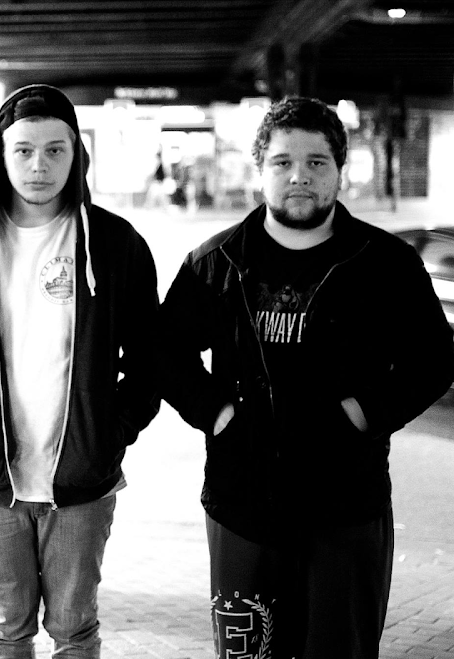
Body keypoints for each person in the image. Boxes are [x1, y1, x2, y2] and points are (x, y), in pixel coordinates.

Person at [158, 96, 454, 659]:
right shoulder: (216, 262)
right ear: (261, 170)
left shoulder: (385, 263)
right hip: (242, 503)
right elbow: (164, 351)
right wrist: (216, 413)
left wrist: (364, 413)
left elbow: (435, 359)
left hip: (347, 505)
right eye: (282, 162)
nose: (299, 176)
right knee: (249, 653)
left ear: (340, 170)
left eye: (317, 162)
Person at [0, 84, 161, 658]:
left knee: (74, 628)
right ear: (0, 156)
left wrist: (110, 432)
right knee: (7, 629)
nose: (39, 166)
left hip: (82, 481)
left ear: (76, 155)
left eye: (55, 150)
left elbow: (151, 359)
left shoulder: (116, 244)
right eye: (24, 150)